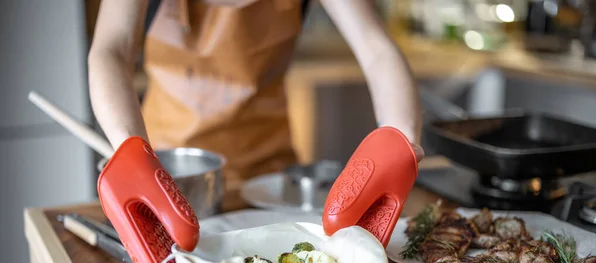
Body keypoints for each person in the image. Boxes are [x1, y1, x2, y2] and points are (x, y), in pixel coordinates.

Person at [88, 0, 424, 189]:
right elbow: (110, 51)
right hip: (172, 173)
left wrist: (400, 138)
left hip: (272, 174)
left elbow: (376, 49)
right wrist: (133, 155)